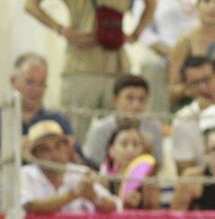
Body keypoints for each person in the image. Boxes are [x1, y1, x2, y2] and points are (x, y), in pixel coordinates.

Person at [23, 0, 169, 140]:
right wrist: (61, 30)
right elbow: (31, 5)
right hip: (82, 66)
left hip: (114, 67)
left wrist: (136, 33)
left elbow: (151, 4)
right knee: (75, 134)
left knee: (121, 135)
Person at [0, 54, 74, 157]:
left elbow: (77, 159)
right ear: (13, 81)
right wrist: (16, 152)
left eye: (41, 83)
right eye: (30, 82)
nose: (36, 89)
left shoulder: (57, 120)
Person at [21, 119, 120, 214]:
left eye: (58, 146)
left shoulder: (80, 173)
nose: (54, 154)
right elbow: (29, 205)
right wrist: (73, 194)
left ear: (67, 149)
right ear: (35, 155)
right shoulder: (25, 175)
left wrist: (93, 197)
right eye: (45, 149)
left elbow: (115, 206)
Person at [82, 74, 166, 172]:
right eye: (130, 98)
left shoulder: (153, 128)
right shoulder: (100, 130)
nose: (136, 105)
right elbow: (92, 167)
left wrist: (148, 152)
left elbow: (157, 168)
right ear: (115, 100)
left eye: (141, 99)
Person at [99, 118, 163, 209]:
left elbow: (155, 215)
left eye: (136, 144)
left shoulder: (149, 181)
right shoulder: (103, 179)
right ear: (111, 149)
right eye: (124, 144)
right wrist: (123, 206)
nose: (130, 150)